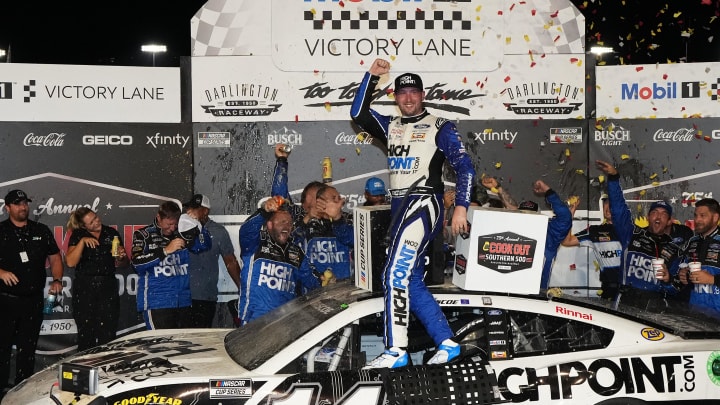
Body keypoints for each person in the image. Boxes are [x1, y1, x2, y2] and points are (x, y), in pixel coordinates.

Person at [351, 58, 476, 368]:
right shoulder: (389, 125)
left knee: (393, 274)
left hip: (424, 204)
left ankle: (396, 350)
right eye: (402, 93)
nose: (408, 98)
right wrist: (371, 77)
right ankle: (447, 342)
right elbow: (357, 113)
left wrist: (460, 206)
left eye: (413, 92)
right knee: (410, 281)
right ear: (395, 96)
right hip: (399, 207)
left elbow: (465, 167)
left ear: (423, 95)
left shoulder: (439, 125)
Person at [0, 190, 63, 392]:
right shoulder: (1, 230)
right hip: (5, 301)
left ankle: (22, 390)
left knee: (27, 349)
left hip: (33, 301)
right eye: (17, 204)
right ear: (7, 207)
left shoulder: (41, 230)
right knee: (2, 348)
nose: (23, 207)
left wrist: (57, 280)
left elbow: (54, 257)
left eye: (25, 203)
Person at [597, 160, 682, 309]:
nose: (658, 216)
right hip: (625, 302)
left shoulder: (674, 249)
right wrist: (613, 178)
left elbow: (677, 289)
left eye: (663, 214)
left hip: (654, 308)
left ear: (669, 221)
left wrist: (668, 279)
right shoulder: (632, 234)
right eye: (654, 212)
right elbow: (619, 209)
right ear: (648, 217)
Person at [270, 144, 354, 282]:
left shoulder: (345, 218)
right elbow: (279, 198)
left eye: (321, 200)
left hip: (343, 289)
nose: (317, 206)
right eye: (310, 205)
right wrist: (282, 162)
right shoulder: (298, 216)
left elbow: (353, 240)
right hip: (309, 290)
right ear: (304, 206)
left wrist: (337, 218)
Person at [131, 201, 210, 329]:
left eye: (175, 224)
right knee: (160, 347)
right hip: (157, 302)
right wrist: (165, 251)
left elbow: (204, 246)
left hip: (182, 301)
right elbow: (136, 264)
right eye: (169, 224)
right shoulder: (143, 235)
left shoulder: (182, 232)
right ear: (159, 218)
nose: (172, 228)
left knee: (183, 346)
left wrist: (198, 225)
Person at [238, 198, 315, 325]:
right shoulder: (255, 244)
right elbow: (247, 231)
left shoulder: (296, 252)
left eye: (290, 223)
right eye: (282, 222)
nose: (287, 227)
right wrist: (264, 211)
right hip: (254, 323)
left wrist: (325, 281)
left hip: (285, 324)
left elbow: (311, 281)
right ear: (269, 225)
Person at [65, 208, 129, 351]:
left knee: (108, 333)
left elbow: (124, 264)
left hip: (108, 287)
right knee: (86, 333)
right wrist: (82, 242)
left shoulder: (111, 233)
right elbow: (70, 262)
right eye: (91, 222)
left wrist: (121, 257)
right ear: (83, 226)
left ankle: (106, 367)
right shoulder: (78, 235)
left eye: (96, 217)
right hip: (85, 288)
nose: (96, 222)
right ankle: (86, 370)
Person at [183, 194, 241, 328]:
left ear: (205, 211)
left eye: (195, 208)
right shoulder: (180, 229)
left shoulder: (219, 231)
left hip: (205, 296)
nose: (189, 211)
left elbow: (230, 262)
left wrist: (243, 288)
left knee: (201, 341)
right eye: (189, 208)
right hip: (181, 297)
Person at [561, 195, 623, 299]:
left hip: (631, 290)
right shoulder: (595, 231)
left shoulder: (630, 230)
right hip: (609, 289)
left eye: (613, 202)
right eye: (606, 203)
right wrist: (570, 214)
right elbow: (567, 241)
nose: (608, 206)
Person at [516, 180, 572, 291]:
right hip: (512, 292)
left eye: (531, 216)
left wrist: (547, 190)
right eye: (523, 215)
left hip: (538, 295)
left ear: (540, 218)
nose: (527, 219)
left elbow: (565, 216)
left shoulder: (549, 233)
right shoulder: (513, 234)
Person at [678, 198, 720, 316]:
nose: (697, 220)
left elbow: (710, 278)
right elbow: (682, 273)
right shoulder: (692, 242)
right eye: (696, 215)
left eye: (702, 215)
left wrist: (712, 279)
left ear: (715, 217)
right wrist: (683, 275)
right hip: (695, 313)